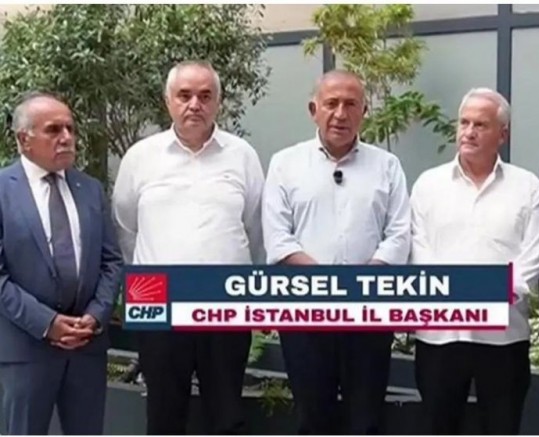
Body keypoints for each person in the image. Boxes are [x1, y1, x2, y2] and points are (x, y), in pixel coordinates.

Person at [112, 60, 264, 435]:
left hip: (225, 296)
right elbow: (125, 228)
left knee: (226, 412)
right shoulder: (140, 157)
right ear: (168, 101)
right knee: (164, 412)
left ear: (218, 102)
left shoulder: (242, 155)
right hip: (155, 294)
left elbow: (256, 228)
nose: (195, 104)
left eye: (205, 95)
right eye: (184, 95)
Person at [262, 69, 411, 434]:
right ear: (314, 110)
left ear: (364, 111)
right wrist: (329, 284)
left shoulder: (387, 166)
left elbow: (399, 234)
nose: (340, 114)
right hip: (305, 314)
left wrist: (361, 283)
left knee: (367, 418)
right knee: (313, 417)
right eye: (331, 104)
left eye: (350, 104)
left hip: (369, 313)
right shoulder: (285, 164)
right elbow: (278, 239)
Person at [410, 88, 539, 434]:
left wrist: (492, 294)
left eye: (481, 125)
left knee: (502, 426)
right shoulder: (428, 184)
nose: (469, 132)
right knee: (438, 426)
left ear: (502, 134)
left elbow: (534, 255)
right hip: (439, 335)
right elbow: (418, 248)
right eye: (464, 122)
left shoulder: (527, 187)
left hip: (503, 337)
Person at [0, 92, 123, 435]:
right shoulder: (3, 190)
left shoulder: (90, 189)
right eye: (54, 130)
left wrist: (95, 316)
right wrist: (47, 323)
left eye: (70, 128)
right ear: (24, 139)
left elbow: (111, 261)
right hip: (26, 348)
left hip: (87, 348)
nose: (67, 137)